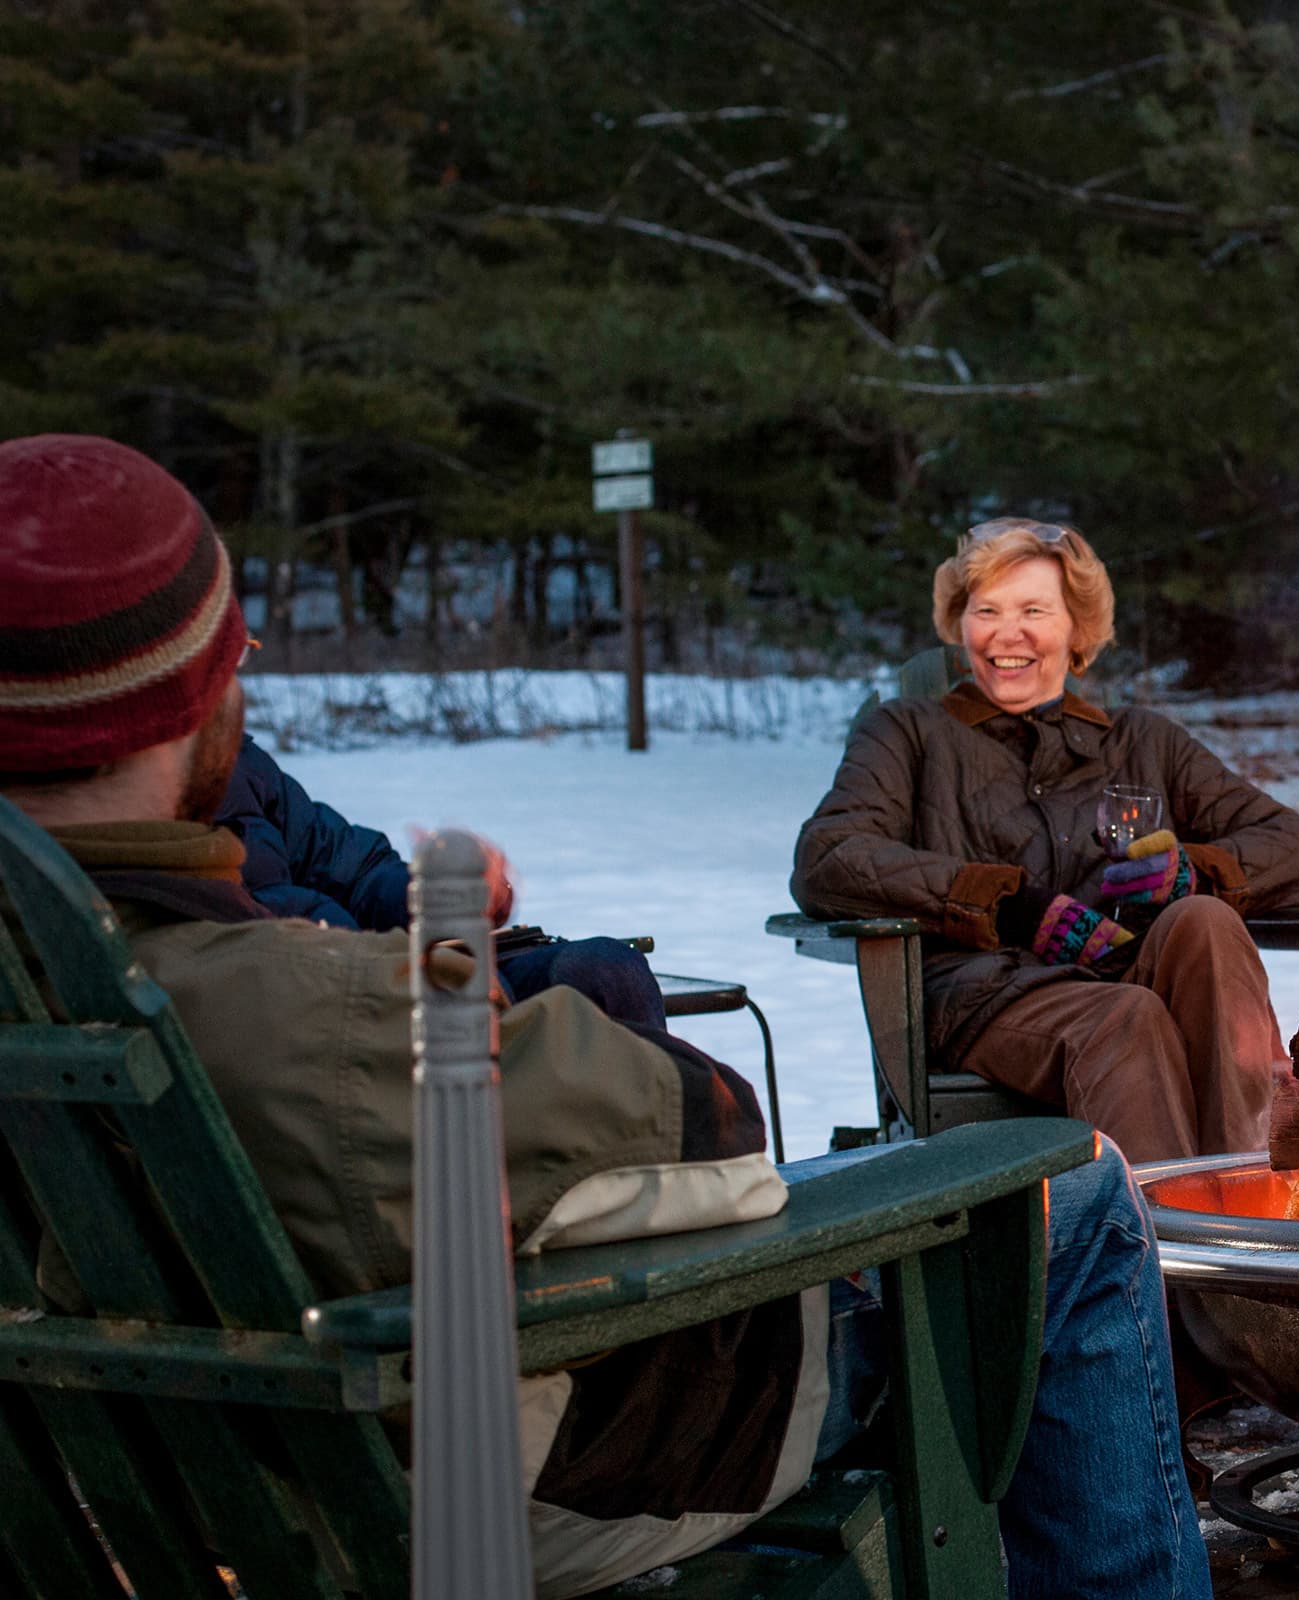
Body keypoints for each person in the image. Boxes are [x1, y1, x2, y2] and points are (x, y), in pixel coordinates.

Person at [0, 436, 1213, 1600]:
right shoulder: (313, 1017)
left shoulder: (87, 984)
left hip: (156, 1470)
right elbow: (719, 1150)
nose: (1013, 633)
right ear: (198, 698)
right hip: (503, 1473)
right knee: (1077, 1191)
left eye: (1038, 612)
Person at [792, 518, 1299, 1163]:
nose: (1006, 634)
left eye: (1033, 610)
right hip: (988, 993)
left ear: (1077, 628)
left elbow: (1295, 846)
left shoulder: (1141, 740)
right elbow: (829, 856)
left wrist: (1194, 874)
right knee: (1128, 1018)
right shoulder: (909, 733)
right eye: (986, 610)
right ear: (961, 625)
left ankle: (1244, 1202)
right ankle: (1165, 1249)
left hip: (1130, 968)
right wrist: (1003, 902)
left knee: (1206, 920)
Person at [215, 731, 666, 1032]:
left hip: (391, 978)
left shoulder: (238, 762)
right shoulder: (160, 803)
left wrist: (434, 894)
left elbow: (349, 865)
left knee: (609, 971)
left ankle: (661, 1161)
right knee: (495, 1019)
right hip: (337, 1019)